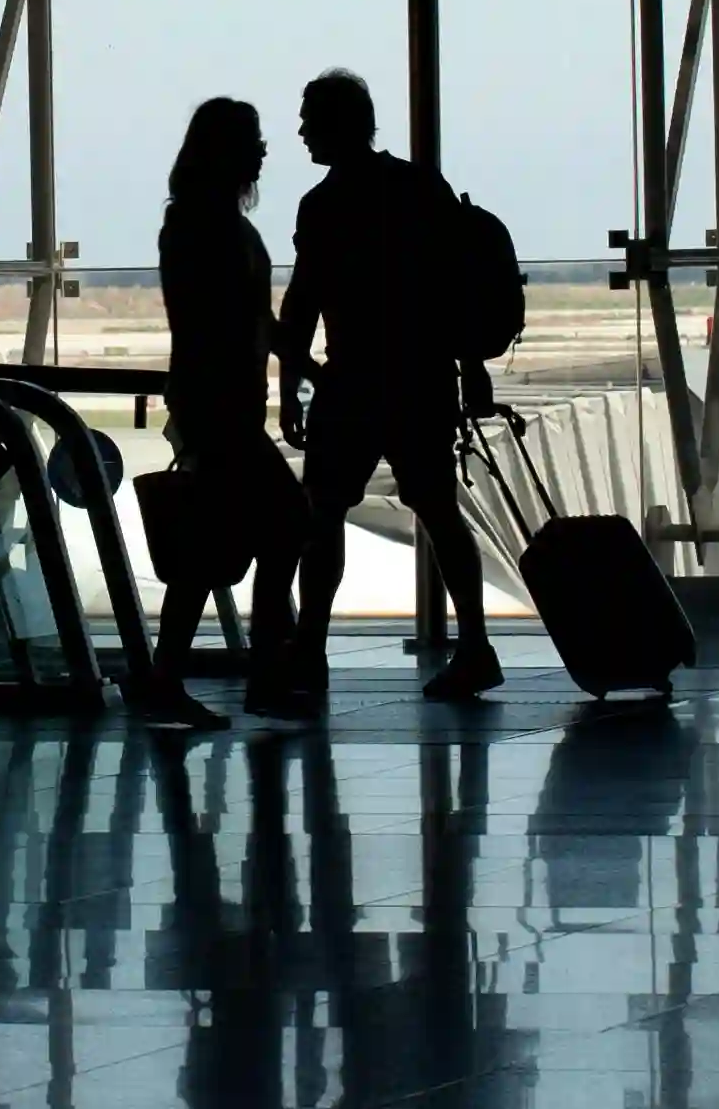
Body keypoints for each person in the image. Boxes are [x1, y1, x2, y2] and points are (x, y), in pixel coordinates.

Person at [269, 68, 496, 717]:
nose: (304, 131)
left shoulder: (323, 206)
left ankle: (310, 646)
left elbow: (302, 304)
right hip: (420, 379)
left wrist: (290, 388)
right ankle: (474, 643)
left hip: (353, 382)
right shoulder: (417, 188)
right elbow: (454, 286)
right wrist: (471, 366)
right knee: (439, 511)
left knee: (325, 516)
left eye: (312, 118)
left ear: (338, 123)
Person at [141, 97, 294, 721]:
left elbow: (248, 317)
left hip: (225, 403)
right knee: (287, 521)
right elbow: (227, 321)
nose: (263, 150)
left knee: (209, 546)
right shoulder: (210, 227)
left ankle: (175, 679)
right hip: (221, 404)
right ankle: (260, 672)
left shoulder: (204, 222)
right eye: (254, 140)